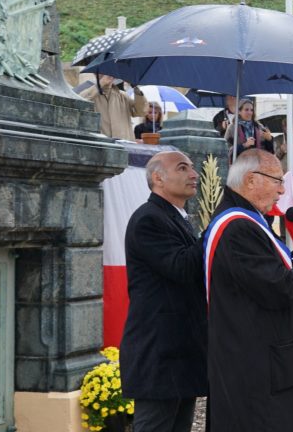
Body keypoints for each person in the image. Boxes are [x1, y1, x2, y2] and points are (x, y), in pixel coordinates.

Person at [203, 149, 293, 430]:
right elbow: (280, 288)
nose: (282, 190)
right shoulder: (238, 226)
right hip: (256, 360)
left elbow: (257, 274)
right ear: (251, 180)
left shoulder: (244, 218)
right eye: (277, 180)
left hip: (257, 352)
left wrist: (291, 255)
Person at [121, 151, 205, 432]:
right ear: (158, 178)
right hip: (159, 354)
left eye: (192, 168)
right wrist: (215, 230)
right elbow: (181, 266)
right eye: (183, 168)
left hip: (180, 351)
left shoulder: (175, 217)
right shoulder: (149, 219)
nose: (193, 174)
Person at [75, 73, 147, 140]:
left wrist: (136, 88)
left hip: (125, 146)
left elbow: (141, 112)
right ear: (95, 73)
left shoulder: (123, 96)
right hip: (100, 146)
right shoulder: (90, 93)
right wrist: (100, 84)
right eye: (102, 72)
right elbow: (78, 103)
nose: (107, 74)